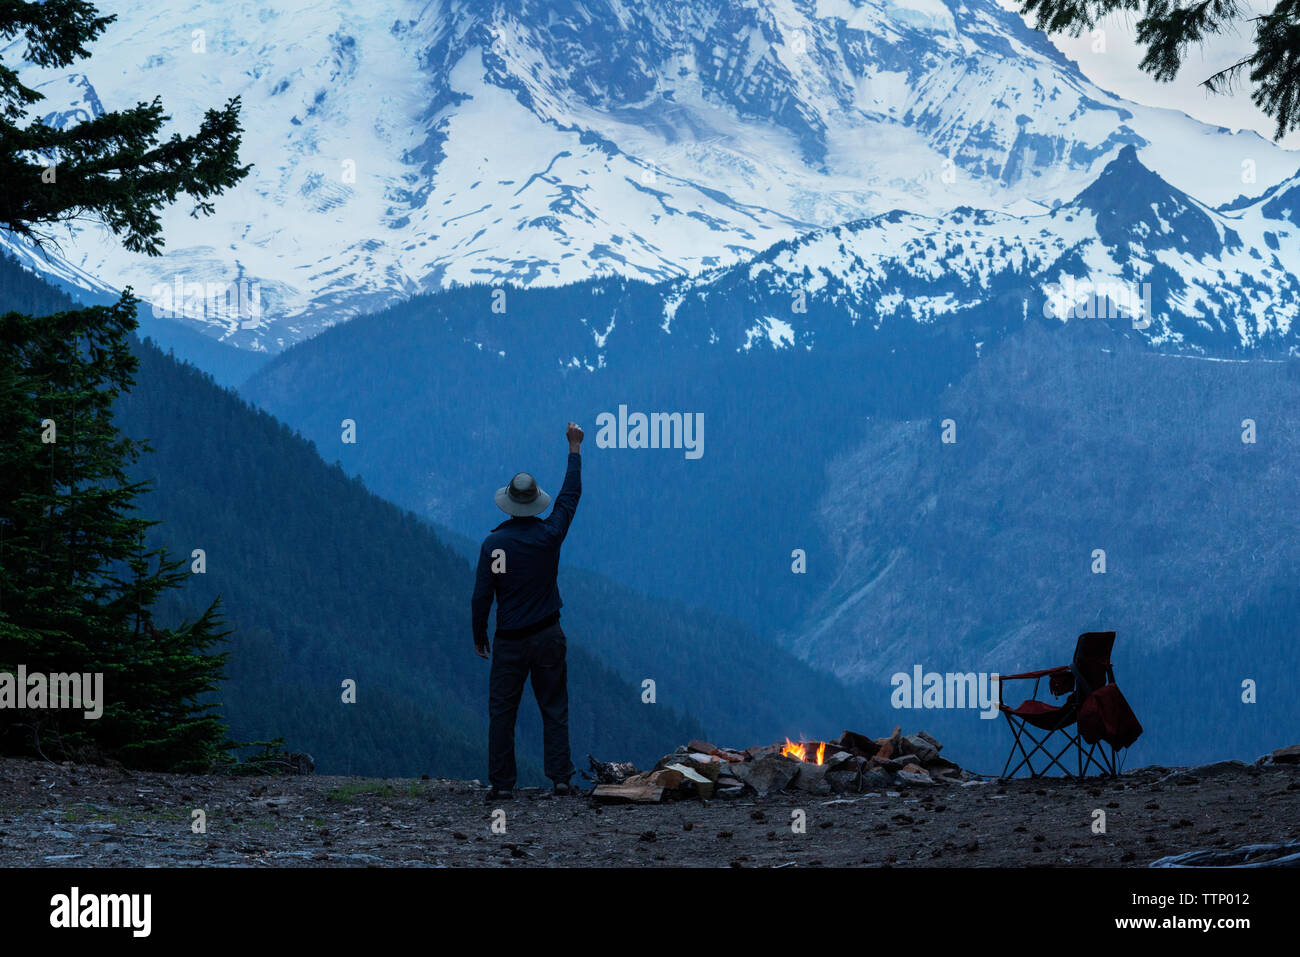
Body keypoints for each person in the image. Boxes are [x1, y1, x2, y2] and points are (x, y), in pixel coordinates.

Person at [471, 422, 584, 801]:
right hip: (549, 635)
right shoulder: (550, 535)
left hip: (510, 642)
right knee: (553, 706)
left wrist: (479, 636)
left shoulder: (494, 546)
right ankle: (562, 778)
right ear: (536, 501)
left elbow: (481, 597)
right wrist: (574, 449)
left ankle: (502, 785)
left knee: (503, 713)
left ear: (508, 502)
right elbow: (570, 497)